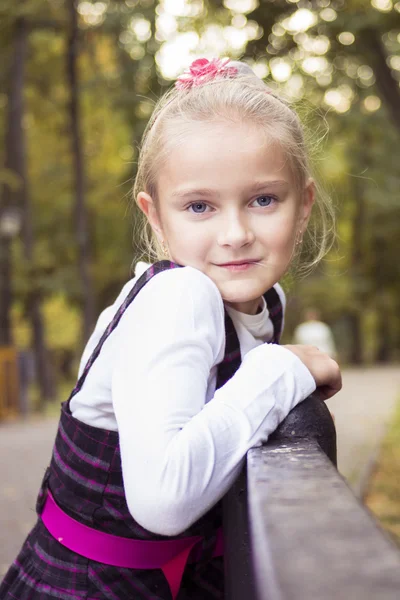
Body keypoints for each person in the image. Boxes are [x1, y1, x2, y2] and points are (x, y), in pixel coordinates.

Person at [0, 57, 341, 600]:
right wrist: (282, 370)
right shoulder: (179, 296)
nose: (235, 233)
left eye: (263, 200)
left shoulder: (262, 300)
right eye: (200, 206)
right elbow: (164, 500)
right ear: (156, 216)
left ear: (303, 206)